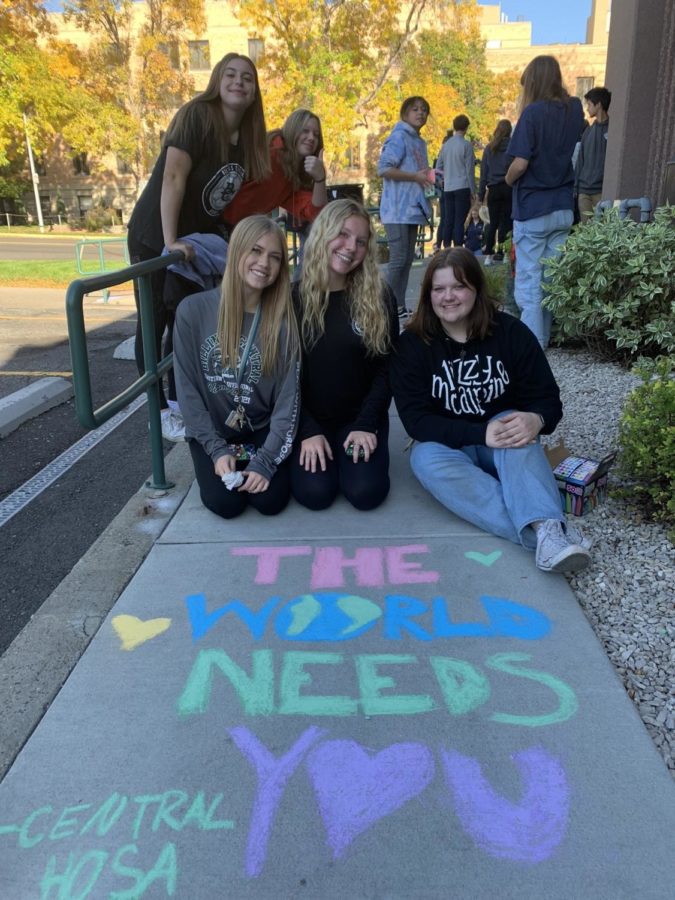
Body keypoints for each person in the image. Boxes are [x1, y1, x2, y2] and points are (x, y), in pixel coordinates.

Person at [390, 248, 591, 574]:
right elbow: (417, 421)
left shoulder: (510, 333)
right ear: (428, 296)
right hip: (450, 445)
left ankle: (547, 529)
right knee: (423, 458)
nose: (448, 297)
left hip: (507, 448)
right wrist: (480, 433)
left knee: (510, 422)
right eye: (439, 289)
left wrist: (535, 419)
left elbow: (548, 400)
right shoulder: (412, 345)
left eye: (459, 286)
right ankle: (548, 535)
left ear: (476, 290)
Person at [127, 52, 270, 441]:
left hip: (193, 244)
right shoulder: (196, 116)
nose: (239, 82)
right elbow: (173, 178)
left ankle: (182, 404)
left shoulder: (246, 139)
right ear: (217, 81)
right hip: (155, 236)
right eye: (230, 74)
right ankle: (158, 411)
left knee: (186, 325)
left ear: (255, 91)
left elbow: (222, 199)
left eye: (247, 78)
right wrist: (169, 240)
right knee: (154, 323)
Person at [173, 216, 300, 519]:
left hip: (259, 427)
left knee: (270, 501)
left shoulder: (283, 321)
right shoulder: (193, 311)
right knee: (225, 504)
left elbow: (287, 401)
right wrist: (216, 450)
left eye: (275, 257)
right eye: (255, 251)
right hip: (214, 430)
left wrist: (266, 460)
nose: (264, 263)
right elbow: (188, 392)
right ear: (235, 252)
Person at [291, 199, 399, 511]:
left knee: (365, 493)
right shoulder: (292, 299)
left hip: (360, 418)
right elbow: (281, 375)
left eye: (361, 241)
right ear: (323, 233)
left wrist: (366, 423)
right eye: (343, 234)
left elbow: (387, 366)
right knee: (315, 494)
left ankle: (351, 451)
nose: (351, 247)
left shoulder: (378, 296)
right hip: (310, 420)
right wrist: (306, 430)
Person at [505, 55, 584, 347]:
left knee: (529, 282)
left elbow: (520, 163)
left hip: (532, 207)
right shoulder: (574, 109)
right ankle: (544, 339)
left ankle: (531, 347)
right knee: (551, 279)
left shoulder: (532, 114)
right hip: (563, 206)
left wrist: (508, 179)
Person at [377, 96, 433, 320]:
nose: (420, 113)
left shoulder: (419, 142)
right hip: (396, 208)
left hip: (413, 208)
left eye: (424, 110)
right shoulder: (399, 137)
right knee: (398, 259)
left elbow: (420, 174)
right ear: (405, 114)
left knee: (408, 259)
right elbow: (383, 168)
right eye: (415, 109)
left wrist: (431, 178)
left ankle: (398, 306)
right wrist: (414, 177)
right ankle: (385, 308)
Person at [437, 114, 476, 250]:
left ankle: (446, 247)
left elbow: (438, 166)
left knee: (448, 219)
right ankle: (458, 247)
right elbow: (469, 170)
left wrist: (442, 180)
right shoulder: (466, 145)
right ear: (466, 128)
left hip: (448, 187)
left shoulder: (446, 145)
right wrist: (473, 191)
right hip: (462, 186)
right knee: (459, 220)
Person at [575, 87, 611, 223]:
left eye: (589, 104)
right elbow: (580, 161)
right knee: (587, 234)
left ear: (599, 104)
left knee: (602, 233)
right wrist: (576, 188)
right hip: (584, 191)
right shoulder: (588, 132)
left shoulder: (612, 130)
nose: (587, 108)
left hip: (601, 191)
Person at [478, 119, 513, 263]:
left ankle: (488, 254)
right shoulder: (512, 146)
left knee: (493, 222)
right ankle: (503, 253)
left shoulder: (489, 148)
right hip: (508, 186)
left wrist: (480, 195)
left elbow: (483, 174)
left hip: (493, 189)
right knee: (506, 221)